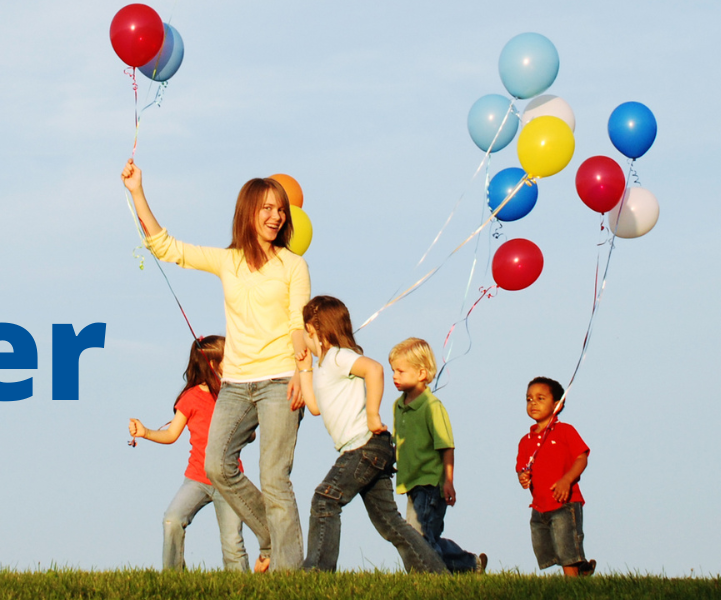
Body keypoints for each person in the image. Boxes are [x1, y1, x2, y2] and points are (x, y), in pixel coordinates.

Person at [121, 160, 312, 570]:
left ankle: (290, 573)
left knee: (275, 479)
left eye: (281, 209)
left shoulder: (293, 266)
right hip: (238, 384)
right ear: (248, 212)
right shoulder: (230, 261)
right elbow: (168, 248)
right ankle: (272, 537)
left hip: (280, 380)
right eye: (267, 208)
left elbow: (299, 326)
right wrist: (138, 191)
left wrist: (302, 371)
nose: (276, 216)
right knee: (216, 465)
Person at [291, 296, 445, 573]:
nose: (304, 339)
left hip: (364, 447)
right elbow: (314, 407)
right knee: (390, 523)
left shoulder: (339, 356)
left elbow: (374, 369)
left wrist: (373, 413)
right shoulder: (325, 366)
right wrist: (304, 368)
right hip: (367, 450)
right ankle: (435, 573)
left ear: (315, 331)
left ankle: (316, 572)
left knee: (325, 499)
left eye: (306, 333)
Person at [128, 335, 267, 572]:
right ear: (212, 364)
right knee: (172, 521)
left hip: (228, 479)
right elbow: (172, 435)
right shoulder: (190, 397)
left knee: (233, 545)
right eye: (228, 358)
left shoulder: (232, 395)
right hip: (196, 479)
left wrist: (245, 432)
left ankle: (242, 589)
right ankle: (173, 581)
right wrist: (145, 432)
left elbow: (249, 434)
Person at [389, 338, 486, 573]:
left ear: (422, 373)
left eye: (401, 371)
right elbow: (399, 442)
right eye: (393, 370)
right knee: (422, 536)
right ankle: (469, 564)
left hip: (431, 483)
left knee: (418, 535)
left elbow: (446, 446)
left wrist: (449, 481)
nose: (395, 376)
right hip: (410, 483)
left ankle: (430, 578)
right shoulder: (398, 406)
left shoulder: (432, 407)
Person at [516, 377, 595, 577]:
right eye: (529, 399)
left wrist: (567, 480)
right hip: (540, 505)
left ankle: (573, 585)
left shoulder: (564, 431)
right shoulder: (525, 441)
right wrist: (522, 476)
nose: (533, 403)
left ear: (557, 405)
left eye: (540, 398)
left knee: (566, 549)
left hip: (564, 503)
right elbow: (521, 468)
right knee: (547, 549)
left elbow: (581, 457)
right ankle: (582, 569)